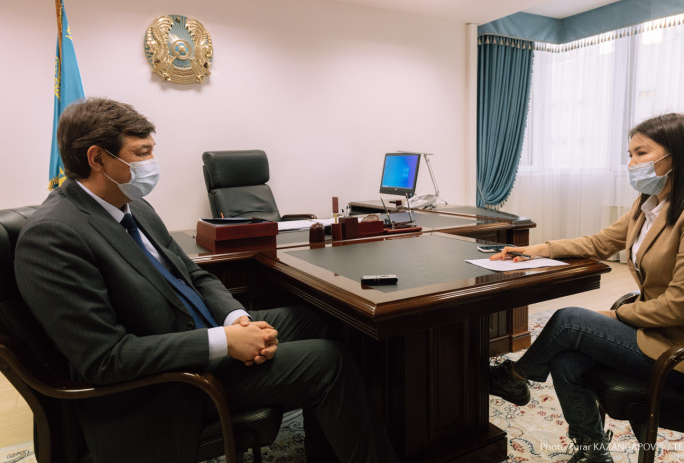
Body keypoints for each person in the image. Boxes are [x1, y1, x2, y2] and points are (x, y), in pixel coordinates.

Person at [15, 97, 399, 463]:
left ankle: (327, 449)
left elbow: (195, 276)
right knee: (329, 361)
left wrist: (237, 319)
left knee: (322, 319)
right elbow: (107, 359)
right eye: (141, 153)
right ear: (97, 158)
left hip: (203, 330)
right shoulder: (54, 236)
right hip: (170, 384)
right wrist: (224, 342)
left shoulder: (135, 207)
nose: (152, 163)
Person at [487, 113, 684, 463]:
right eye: (630, 154)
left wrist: (617, 314)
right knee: (566, 359)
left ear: (676, 155)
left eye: (641, 153)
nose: (631, 163)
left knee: (569, 321)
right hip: (659, 333)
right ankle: (592, 451)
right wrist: (537, 249)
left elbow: (680, 306)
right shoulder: (648, 205)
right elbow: (599, 242)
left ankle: (513, 376)